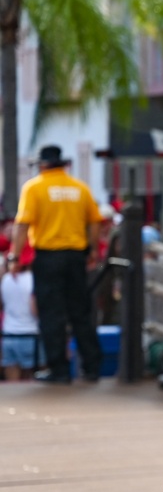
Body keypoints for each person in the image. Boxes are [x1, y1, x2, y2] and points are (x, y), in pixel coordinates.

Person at [8, 145, 104, 384]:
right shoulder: (80, 188)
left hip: (49, 256)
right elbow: (94, 222)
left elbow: (22, 225)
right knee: (80, 312)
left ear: (42, 165)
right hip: (75, 257)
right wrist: (91, 250)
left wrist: (15, 256)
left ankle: (59, 370)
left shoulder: (34, 187)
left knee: (52, 315)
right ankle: (91, 367)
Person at [1, 247, 45, 381]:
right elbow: (35, 309)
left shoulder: (5, 279)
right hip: (31, 334)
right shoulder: (34, 279)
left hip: (8, 335)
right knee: (35, 381)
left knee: (13, 381)